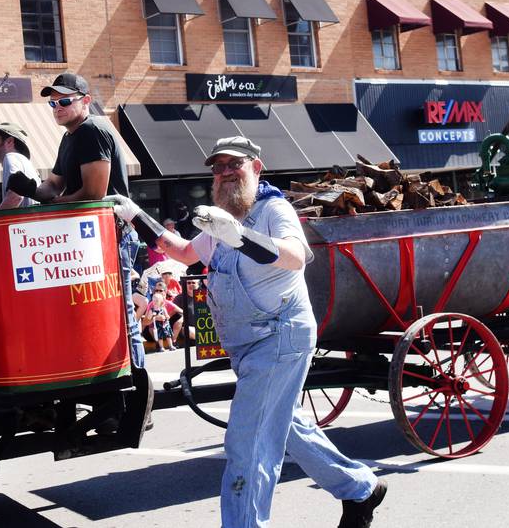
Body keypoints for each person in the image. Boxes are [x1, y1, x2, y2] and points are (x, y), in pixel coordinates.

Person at [107, 135, 386, 528]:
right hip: (249, 344)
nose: (224, 174)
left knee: (249, 444)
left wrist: (238, 237)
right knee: (286, 424)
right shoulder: (222, 218)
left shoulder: (274, 209)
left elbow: (295, 256)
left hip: (279, 336)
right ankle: (360, 489)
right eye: (218, 168)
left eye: (233, 165)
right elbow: (186, 252)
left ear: (256, 167)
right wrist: (136, 214)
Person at [6, 72, 145, 369]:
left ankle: (138, 385)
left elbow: (94, 193)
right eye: (53, 103)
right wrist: (31, 188)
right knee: (102, 314)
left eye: (65, 101)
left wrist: (51, 201)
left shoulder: (91, 130)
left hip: (113, 233)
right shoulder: (70, 137)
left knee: (121, 314)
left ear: (86, 101)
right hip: (94, 236)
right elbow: (53, 185)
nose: (58, 107)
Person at [0, 122, 38, 209]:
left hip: (24, 221)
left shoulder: (11, 157)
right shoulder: (23, 161)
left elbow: (16, 196)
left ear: (9, 141)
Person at [142, 285, 181, 352]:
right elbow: (145, 321)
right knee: (158, 333)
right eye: (156, 291)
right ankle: (160, 346)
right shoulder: (151, 306)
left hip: (164, 325)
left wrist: (168, 316)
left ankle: (172, 344)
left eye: (160, 290)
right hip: (154, 327)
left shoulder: (165, 306)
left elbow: (181, 312)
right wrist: (155, 318)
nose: (158, 292)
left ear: (165, 292)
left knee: (168, 333)